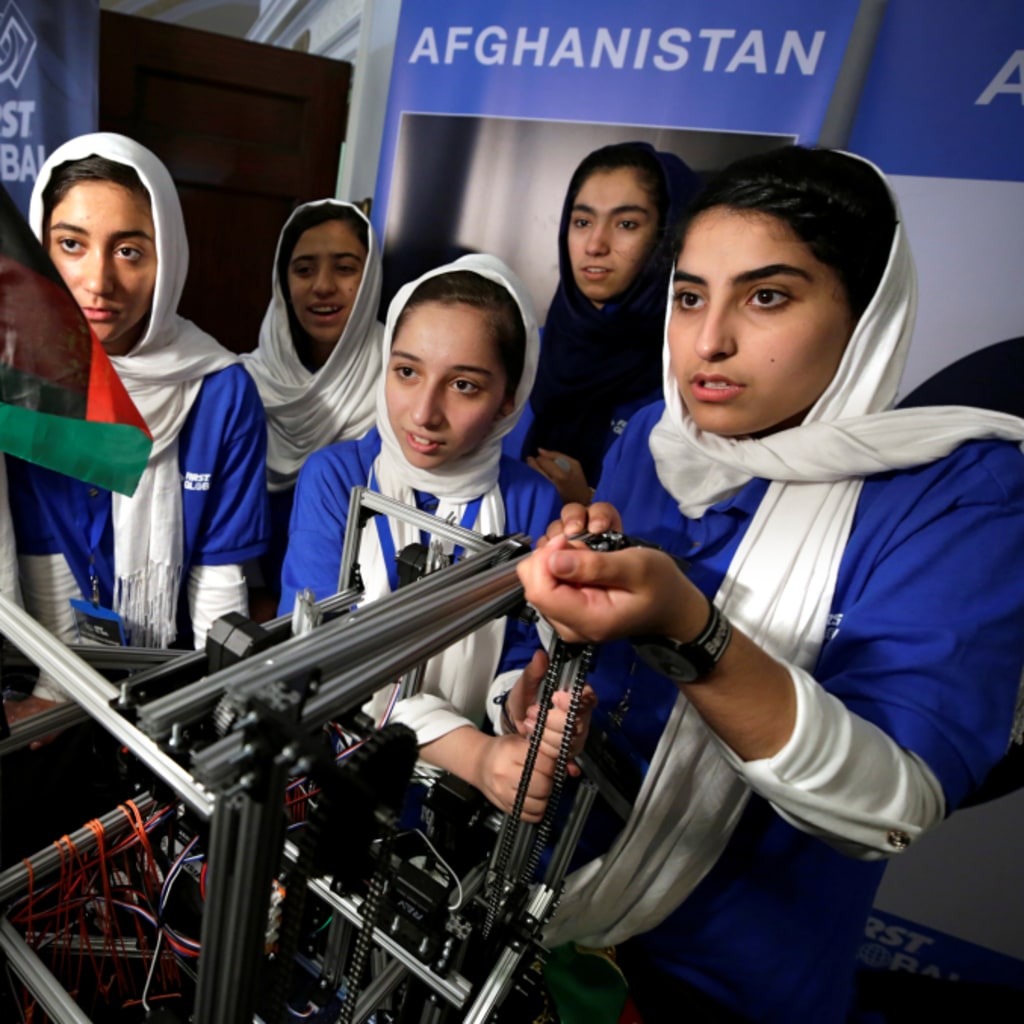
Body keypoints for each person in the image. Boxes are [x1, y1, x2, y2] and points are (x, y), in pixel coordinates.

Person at [516, 146, 1024, 1022]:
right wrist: (545, 672)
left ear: (863, 315)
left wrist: (691, 630)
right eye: (688, 296)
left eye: (767, 297)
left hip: (735, 971)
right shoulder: (653, 440)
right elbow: (607, 677)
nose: (708, 341)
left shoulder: (955, 493)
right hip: (551, 901)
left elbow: (891, 804)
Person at [280, 255, 585, 819]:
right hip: (332, 776)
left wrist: (521, 705)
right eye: (406, 372)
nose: (424, 413)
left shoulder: (529, 499)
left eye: (464, 385)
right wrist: (472, 753)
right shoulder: (338, 478)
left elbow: (517, 652)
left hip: (451, 802)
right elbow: (320, 656)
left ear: (508, 400)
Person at [7, 132, 269, 726]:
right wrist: (57, 690)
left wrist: (220, 711)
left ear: (168, 257)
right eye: (70, 244)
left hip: (176, 671)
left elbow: (216, 574)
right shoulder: (22, 379)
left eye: (129, 251)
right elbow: (42, 549)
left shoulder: (220, 389)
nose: (99, 281)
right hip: (53, 666)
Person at [518, 141, 700, 504]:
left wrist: (590, 501)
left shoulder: (690, 369)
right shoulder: (529, 350)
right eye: (582, 222)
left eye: (626, 224)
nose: (595, 244)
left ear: (666, 237)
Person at [242, 200, 382, 605]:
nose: (323, 286)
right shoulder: (245, 383)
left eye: (345, 268)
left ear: (370, 276)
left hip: (359, 613)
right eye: (304, 269)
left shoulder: (401, 379)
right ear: (283, 281)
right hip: (250, 602)